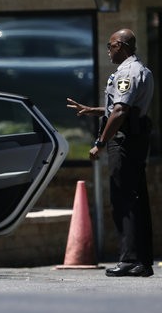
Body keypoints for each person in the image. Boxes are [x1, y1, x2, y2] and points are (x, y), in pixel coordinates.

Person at [66, 28, 154, 277]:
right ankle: (142, 261)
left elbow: (121, 111)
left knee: (123, 199)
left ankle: (130, 259)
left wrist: (101, 143)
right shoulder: (140, 69)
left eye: (111, 45)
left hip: (125, 140)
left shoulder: (127, 71)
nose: (108, 50)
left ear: (123, 46)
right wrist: (93, 110)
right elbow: (119, 107)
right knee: (135, 198)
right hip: (135, 138)